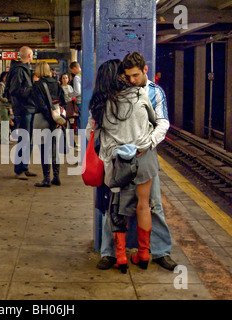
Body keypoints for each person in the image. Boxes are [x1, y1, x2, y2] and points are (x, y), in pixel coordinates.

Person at [95, 51, 177, 271]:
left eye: (135, 76)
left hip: (139, 154)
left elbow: (162, 123)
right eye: (127, 76)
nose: (131, 80)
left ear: (144, 70)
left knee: (150, 206)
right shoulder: (120, 96)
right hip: (131, 159)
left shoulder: (153, 92)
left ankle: (158, 252)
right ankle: (113, 253)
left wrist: (146, 144)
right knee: (120, 207)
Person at [88, 59, 159, 273]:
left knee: (116, 208)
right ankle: (144, 254)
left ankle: (119, 257)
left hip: (118, 164)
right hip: (143, 159)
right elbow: (153, 122)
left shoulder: (102, 106)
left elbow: (94, 134)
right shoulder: (140, 95)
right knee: (144, 206)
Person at [32, 61, 65, 187]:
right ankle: (56, 177)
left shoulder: (37, 85)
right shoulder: (56, 84)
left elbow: (41, 104)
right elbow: (62, 101)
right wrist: (57, 120)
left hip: (42, 119)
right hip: (56, 119)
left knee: (44, 149)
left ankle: (46, 178)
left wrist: (50, 119)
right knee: (54, 148)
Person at [7, 46, 37, 179]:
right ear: (29, 55)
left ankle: (24, 167)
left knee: (27, 139)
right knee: (24, 139)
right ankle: (19, 170)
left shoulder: (23, 70)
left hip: (27, 108)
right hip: (23, 109)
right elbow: (15, 90)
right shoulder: (19, 70)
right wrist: (32, 90)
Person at [0, 71, 12, 144]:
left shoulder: (8, 85)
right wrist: (7, 100)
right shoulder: (1, 85)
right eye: (5, 76)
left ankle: (3, 139)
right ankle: (4, 140)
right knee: (5, 122)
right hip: (2, 106)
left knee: (5, 123)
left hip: (7, 106)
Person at [69, 61, 82, 129]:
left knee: (80, 118)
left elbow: (77, 92)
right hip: (87, 100)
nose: (72, 72)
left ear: (74, 68)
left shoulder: (77, 77)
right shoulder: (85, 74)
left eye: (72, 71)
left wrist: (70, 94)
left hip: (80, 101)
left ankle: (80, 134)